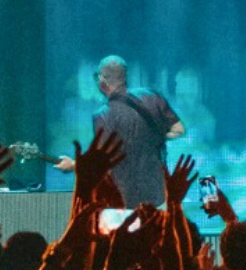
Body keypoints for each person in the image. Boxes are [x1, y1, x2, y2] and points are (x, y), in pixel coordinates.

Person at [54, 56, 184, 207]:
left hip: (125, 202)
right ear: (124, 77)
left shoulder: (103, 116)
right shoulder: (152, 97)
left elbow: (100, 161)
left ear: (102, 81)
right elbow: (179, 130)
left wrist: (72, 165)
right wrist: (152, 137)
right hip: (158, 198)